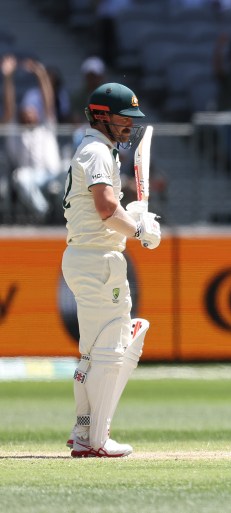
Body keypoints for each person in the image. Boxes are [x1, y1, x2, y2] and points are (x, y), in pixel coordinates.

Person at [61, 82, 162, 458]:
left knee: (94, 351)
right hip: (98, 260)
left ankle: (83, 430)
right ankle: (96, 441)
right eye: (124, 118)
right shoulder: (97, 152)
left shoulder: (97, 150)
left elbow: (104, 210)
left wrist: (131, 214)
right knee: (111, 347)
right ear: (101, 116)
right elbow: (105, 208)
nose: (129, 126)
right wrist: (138, 231)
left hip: (90, 256)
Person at [1, 55, 63, 222]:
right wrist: (8, 77)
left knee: (70, 173)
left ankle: (71, 218)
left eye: (33, 109)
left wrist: (41, 74)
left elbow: (48, 101)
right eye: (25, 110)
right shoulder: (16, 133)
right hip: (31, 176)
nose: (28, 111)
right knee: (20, 176)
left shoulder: (46, 126)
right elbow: (8, 107)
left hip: (53, 174)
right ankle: (44, 212)